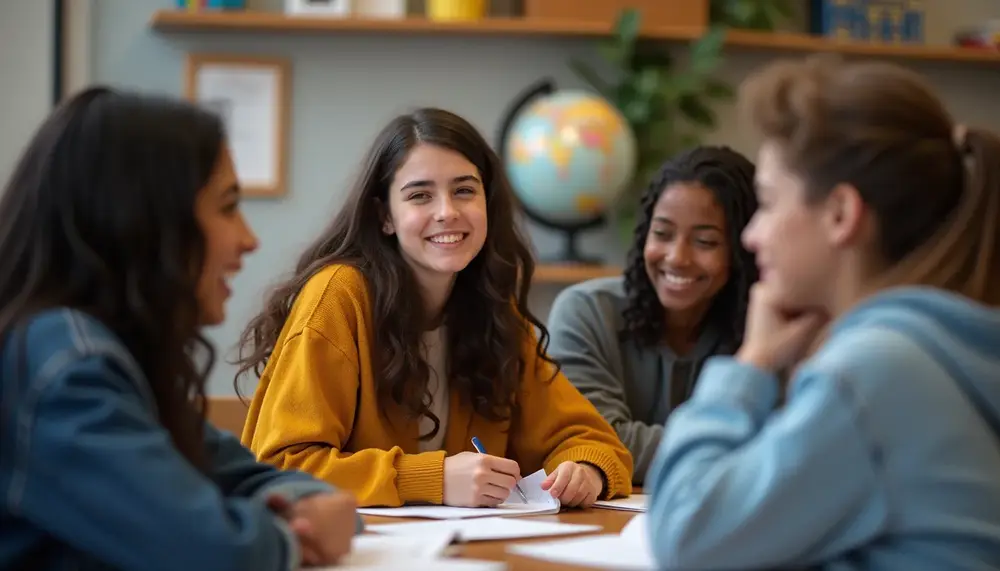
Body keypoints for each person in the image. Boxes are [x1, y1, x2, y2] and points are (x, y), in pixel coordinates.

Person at [644, 54, 1000, 570]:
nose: (751, 235)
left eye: (767, 203)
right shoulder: (936, 347)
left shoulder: (876, 372)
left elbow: (685, 532)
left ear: (839, 215)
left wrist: (751, 365)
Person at [0, 87, 360, 571]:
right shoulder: (68, 366)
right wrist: (294, 533)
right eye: (228, 206)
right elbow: (215, 552)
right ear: (144, 219)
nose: (249, 240)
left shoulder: (114, 357)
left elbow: (253, 479)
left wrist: (306, 509)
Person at [236, 107, 633, 508]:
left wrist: (585, 470)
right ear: (385, 216)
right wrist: (433, 478)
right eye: (420, 195)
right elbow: (281, 468)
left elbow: (594, 442)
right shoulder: (339, 296)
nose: (447, 211)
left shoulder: (493, 308)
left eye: (464, 190)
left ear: (487, 203)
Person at [547, 146, 758, 483]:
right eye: (662, 234)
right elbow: (596, 441)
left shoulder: (762, 328)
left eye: (705, 241)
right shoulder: (586, 312)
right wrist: (730, 447)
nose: (677, 257)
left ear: (742, 250)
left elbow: (789, 450)